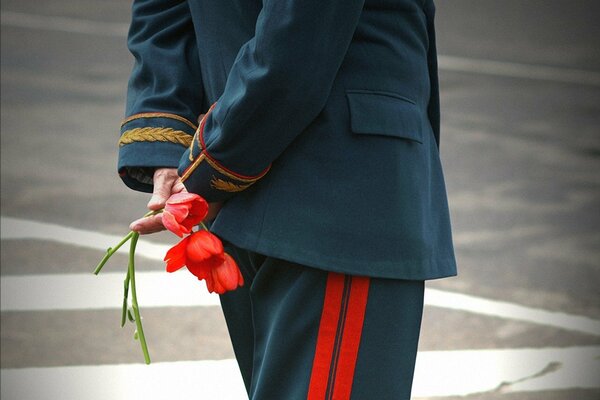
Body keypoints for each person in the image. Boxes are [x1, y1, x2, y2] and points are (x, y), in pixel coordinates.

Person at [118, 0, 457, 398]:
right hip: (339, 181)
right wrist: (200, 162)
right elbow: (298, 34)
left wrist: (190, 154)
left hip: (238, 168)